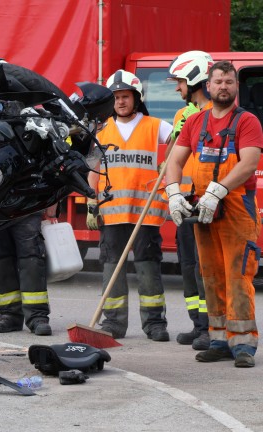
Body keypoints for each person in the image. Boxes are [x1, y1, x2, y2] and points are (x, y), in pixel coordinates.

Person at [166, 60, 262, 368]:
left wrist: (217, 191)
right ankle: (219, 339)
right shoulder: (196, 122)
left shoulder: (247, 121)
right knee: (211, 275)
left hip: (235, 206)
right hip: (204, 209)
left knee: (238, 275)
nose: (223, 86)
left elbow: (248, 164)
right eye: (218, 81)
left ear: (236, 86)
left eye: (229, 82)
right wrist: (173, 192)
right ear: (208, 86)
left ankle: (244, 344)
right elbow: (175, 161)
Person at [87, 70, 173, 341]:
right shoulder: (101, 131)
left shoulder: (156, 126)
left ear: (136, 98)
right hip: (112, 212)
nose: (120, 102)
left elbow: (179, 142)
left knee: (148, 267)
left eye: (125, 96)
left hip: (146, 211)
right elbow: (93, 168)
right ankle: (114, 323)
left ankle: (155, 323)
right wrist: (91, 201)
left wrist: (168, 161)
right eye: (115, 97)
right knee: (112, 267)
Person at [165, 51, 214, 350]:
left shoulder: (215, 114)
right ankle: (198, 326)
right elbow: (174, 157)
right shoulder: (184, 114)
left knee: (204, 268)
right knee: (187, 266)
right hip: (187, 199)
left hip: (207, 199)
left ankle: (211, 328)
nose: (177, 88)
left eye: (180, 82)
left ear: (195, 79)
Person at [0, 213, 52, 336]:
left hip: (27, 204)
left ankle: (37, 316)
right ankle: (10, 315)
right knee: (0, 260)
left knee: (32, 258)